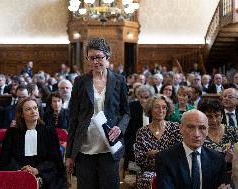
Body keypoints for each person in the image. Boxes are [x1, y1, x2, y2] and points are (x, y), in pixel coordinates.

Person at [65, 37, 130, 189]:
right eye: (91, 58)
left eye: (99, 57)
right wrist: (69, 155)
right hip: (85, 148)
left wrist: (120, 127)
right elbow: (73, 119)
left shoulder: (119, 80)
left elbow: (126, 113)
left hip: (109, 148)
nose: (95, 61)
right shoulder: (80, 82)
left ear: (107, 57)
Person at [0, 97, 66, 189]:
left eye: (35, 108)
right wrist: (21, 171)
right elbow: (5, 158)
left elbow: (54, 159)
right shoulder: (12, 133)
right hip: (17, 171)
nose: (33, 111)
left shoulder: (49, 131)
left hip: (44, 172)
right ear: (21, 114)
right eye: (28, 109)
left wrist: (37, 170)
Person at [156, 109, 232, 189]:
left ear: (207, 131)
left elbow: (226, 185)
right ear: (181, 128)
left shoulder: (218, 158)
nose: (196, 134)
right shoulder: (164, 158)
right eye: (191, 127)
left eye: (202, 128)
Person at [135, 94, 182, 189]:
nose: (161, 110)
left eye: (164, 107)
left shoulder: (175, 128)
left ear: (167, 110)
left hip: (171, 170)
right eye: (156, 107)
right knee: (148, 178)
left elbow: (180, 153)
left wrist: (157, 154)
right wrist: (165, 155)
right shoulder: (142, 132)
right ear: (150, 110)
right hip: (149, 172)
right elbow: (139, 159)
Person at [198, 100, 238, 171]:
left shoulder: (233, 131)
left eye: (217, 115)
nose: (214, 120)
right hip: (208, 174)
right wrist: (224, 160)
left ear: (222, 115)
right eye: (209, 116)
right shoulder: (199, 135)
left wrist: (234, 158)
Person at [124, 85, 154, 170]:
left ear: (151, 97)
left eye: (146, 97)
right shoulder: (132, 107)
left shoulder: (156, 108)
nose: (143, 100)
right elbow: (127, 131)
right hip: (134, 143)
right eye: (141, 97)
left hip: (153, 145)